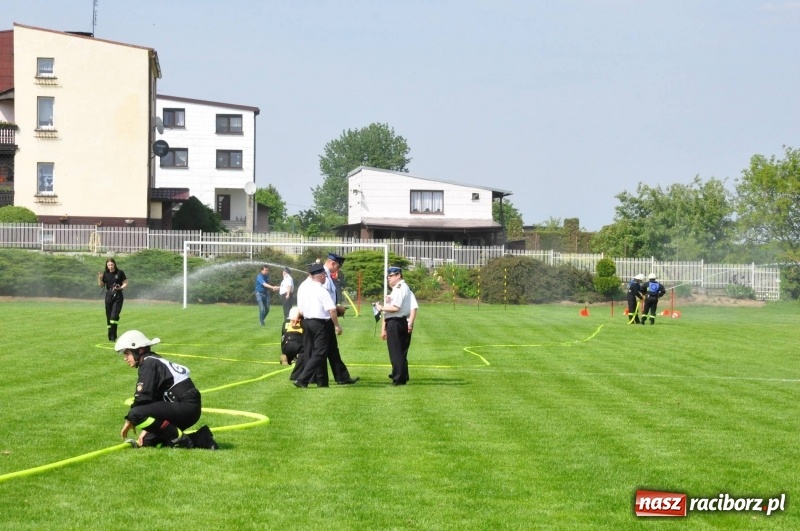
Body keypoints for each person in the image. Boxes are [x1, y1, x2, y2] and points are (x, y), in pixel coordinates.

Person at [114, 330, 218, 449]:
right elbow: (155, 399)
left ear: (139, 350)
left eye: (127, 353)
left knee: (135, 413)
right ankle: (202, 438)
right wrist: (147, 429)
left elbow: (143, 398)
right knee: (147, 441)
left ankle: (181, 439)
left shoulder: (149, 364)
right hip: (187, 406)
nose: (125, 358)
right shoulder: (154, 360)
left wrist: (130, 420)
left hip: (185, 406)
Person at [292, 263, 345, 388]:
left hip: (308, 322)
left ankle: (322, 382)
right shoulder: (322, 290)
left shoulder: (306, 289)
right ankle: (302, 379)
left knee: (318, 351)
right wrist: (337, 325)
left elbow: (301, 307)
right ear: (321, 276)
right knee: (320, 353)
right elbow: (332, 310)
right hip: (321, 323)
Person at [321, 253, 358, 385]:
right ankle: (303, 375)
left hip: (327, 317)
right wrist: (335, 311)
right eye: (338, 266)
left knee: (331, 349)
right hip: (324, 318)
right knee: (320, 350)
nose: (338, 270)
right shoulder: (323, 277)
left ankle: (342, 377)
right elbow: (323, 300)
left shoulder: (326, 275)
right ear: (333, 263)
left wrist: (336, 308)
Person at [376, 266, 413, 386]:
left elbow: (395, 308)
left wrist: (381, 307)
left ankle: (398, 379)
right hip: (400, 321)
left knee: (395, 352)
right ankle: (401, 376)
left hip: (395, 321)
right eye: (388, 276)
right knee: (399, 352)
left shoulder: (399, 288)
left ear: (398, 275)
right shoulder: (401, 287)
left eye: (391, 276)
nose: (388, 278)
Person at [97, 258, 127, 342]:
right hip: (108, 295)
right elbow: (101, 285)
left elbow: (125, 283)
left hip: (118, 295)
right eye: (108, 265)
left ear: (114, 264)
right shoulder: (105, 274)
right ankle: (110, 337)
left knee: (114, 316)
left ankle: (114, 336)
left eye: (111, 265)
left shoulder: (120, 272)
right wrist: (99, 278)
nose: (110, 266)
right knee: (109, 317)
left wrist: (120, 287)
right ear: (107, 265)